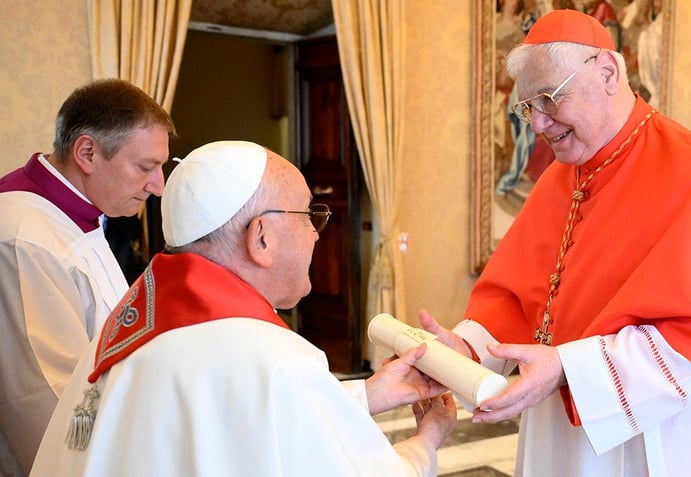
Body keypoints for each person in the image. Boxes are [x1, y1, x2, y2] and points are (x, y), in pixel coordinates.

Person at [420, 9, 691, 476]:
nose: (538, 126)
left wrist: (568, 368)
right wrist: (462, 350)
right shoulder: (556, 181)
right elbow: (520, 301)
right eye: (528, 108)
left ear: (607, 72)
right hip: (562, 423)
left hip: (663, 433)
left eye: (548, 99)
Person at [30, 141, 457, 477]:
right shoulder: (274, 360)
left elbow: (234, 420)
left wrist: (368, 393)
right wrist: (427, 440)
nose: (316, 234)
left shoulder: (129, 327)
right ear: (261, 239)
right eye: (309, 216)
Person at [0, 78, 176, 476]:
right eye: (146, 167)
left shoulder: (82, 213)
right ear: (87, 152)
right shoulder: (22, 238)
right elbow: (47, 407)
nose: (159, 185)